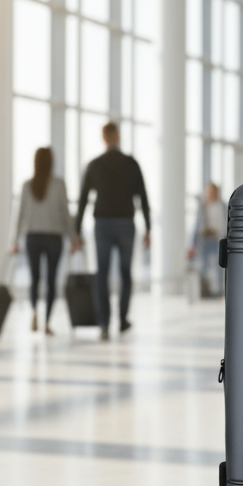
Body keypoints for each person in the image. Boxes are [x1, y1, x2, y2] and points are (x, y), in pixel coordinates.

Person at [75, 122, 151, 340]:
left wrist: (77, 230)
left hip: (103, 224)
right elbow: (143, 196)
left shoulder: (95, 164)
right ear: (117, 136)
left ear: (104, 137)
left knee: (102, 274)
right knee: (125, 273)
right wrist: (148, 227)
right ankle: (123, 319)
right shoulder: (131, 163)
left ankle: (104, 324)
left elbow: (83, 198)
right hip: (126, 223)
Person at [12, 147, 74, 335]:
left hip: (32, 237)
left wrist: (14, 240)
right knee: (51, 280)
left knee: (35, 278)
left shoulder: (27, 185)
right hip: (54, 237)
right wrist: (73, 238)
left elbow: (19, 215)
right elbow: (65, 214)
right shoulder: (59, 185)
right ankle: (46, 322)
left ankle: (33, 312)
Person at [187, 182, 228, 297]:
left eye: (212, 191)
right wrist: (192, 244)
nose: (209, 194)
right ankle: (205, 291)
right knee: (203, 266)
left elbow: (226, 224)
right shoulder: (203, 208)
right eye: (208, 192)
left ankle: (218, 291)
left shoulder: (223, 206)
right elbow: (196, 227)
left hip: (218, 240)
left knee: (218, 266)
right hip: (205, 240)